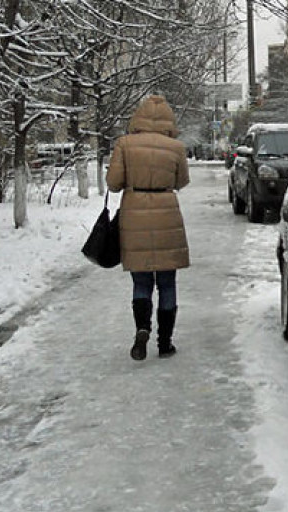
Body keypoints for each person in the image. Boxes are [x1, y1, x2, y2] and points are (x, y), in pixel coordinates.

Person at [106, 95, 190, 361]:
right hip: (167, 213)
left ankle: (142, 328)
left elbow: (113, 183)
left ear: (138, 116)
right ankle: (165, 343)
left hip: (134, 213)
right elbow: (182, 181)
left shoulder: (125, 144)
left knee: (141, 281)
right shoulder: (176, 147)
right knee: (167, 282)